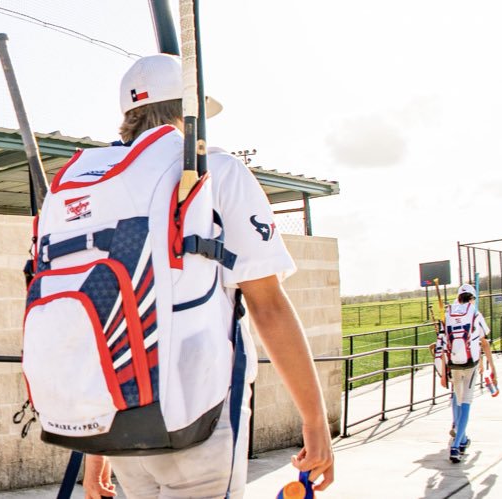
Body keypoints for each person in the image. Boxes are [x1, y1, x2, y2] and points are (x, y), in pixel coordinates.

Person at [54, 54, 335, 497]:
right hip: (201, 413)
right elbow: (268, 305)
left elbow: (105, 316)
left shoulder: (105, 183)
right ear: (189, 112)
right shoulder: (218, 171)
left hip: (124, 422)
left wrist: (98, 448)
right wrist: (316, 421)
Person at [439, 283, 493, 463]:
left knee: (457, 399)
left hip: (454, 364)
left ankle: (462, 438)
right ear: (472, 298)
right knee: (466, 403)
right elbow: (485, 336)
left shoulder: (448, 313)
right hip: (470, 364)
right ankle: (456, 446)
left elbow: (442, 339)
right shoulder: (475, 314)